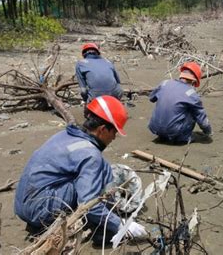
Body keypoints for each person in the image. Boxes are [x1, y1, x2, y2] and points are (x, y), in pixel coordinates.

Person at [14, 96, 139, 244]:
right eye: (114, 132)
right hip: (39, 210)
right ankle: (101, 229)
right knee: (100, 178)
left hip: (23, 205)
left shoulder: (65, 135)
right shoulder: (91, 155)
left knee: (100, 171)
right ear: (103, 129)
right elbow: (88, 204)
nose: (114, 137)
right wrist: (122, 225)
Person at [148, 61, 212, 144]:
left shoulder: (164, 83)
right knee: (194, 111)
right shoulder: (192, 95)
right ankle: (183, 137)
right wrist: (208, 131)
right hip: (175, 133)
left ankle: (164, 134)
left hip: (155, 129)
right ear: (193, 81)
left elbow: (151, 98)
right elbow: (202, 119)